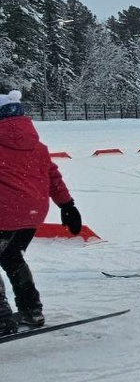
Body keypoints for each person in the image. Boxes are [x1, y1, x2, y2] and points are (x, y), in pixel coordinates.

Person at [0, 90, 83, 334]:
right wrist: (67, 205)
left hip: (3, 213)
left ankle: (2, 319)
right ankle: (32, 311)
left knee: (9, 256)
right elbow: (52, 177)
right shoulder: (37, 146)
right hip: (32, 214)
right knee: (12, 257)